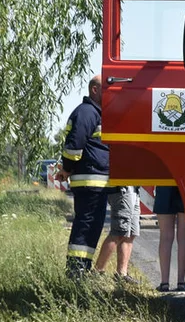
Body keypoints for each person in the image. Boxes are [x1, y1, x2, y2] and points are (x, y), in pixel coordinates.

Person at [57, 75, 110, 277]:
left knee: (92, 227)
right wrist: (68, 168)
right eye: (107, 89)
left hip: (96, 180)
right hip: (89, 180)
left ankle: (82, 269)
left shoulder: (95, 113)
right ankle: (75, 271)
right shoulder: (87, 112)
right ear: (95, 90)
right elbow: (73, 146)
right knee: (85, 226)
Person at [93, 186, 140, 283]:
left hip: (133, 187)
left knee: (131, 232)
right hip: (122, 187)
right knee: (119, 232)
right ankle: (97, 272)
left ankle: (122, 274)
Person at [154, 186, 185, 292]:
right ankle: (181, 282)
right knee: (184, 236)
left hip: (164, 183)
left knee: (165, 236)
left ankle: (164, 283)